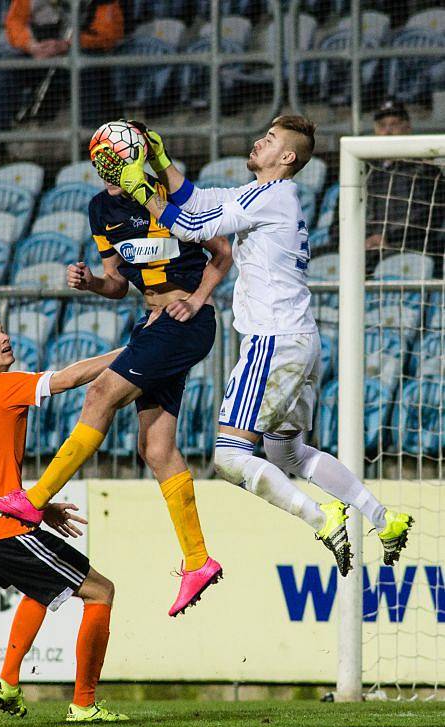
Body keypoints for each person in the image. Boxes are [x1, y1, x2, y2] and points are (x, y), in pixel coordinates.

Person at [89, 116, 414, 576]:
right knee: (289, 454)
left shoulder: (270, 196)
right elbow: (197, 199)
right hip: (300, 339)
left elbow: (190, 224)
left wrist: (138, 187)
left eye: (271, 139)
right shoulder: (264, 195)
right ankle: (385, 519)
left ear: (286, 157)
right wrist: (160, 162)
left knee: (228, 455)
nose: (259, 140)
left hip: (272, 342)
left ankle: (322, 519)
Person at [0, 168, 233, 617]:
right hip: (155, 322)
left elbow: (223, 253)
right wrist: (92, 282)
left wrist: (195, 300)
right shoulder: (101, 209)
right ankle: (198, 560)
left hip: (185, 319)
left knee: (99, 393)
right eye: (106, 152)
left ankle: (34, 500)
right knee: (156, 448)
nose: (111, 158)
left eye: (120, 149)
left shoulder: (164, 192)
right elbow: (116, 283)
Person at [0, 311, 128, 723]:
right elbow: (68, 379)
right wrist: (133, 352)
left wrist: (39, 507)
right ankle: (84, 704)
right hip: (1, 528)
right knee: (101, 592)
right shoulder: (2, 387)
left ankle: (9, 682)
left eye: (2, 332)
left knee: (40, 589)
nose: (4, 339)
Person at [0, 0, 124, 160]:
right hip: (39, 52)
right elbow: (15, 22)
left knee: (86, 67)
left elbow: (109, 33)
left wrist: (70, 44)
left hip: (82, 52)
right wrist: (31, 46)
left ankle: (91, 142)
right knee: (7, 69)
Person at [365, 99, 444, 275]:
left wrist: (387, 238)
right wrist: (363, 239)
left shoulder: (425, 171)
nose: (387, 131)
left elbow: (429, 217)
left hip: (408, 248)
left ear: (407, 128)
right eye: (382, 125)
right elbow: (339, 220)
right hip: (364, 249)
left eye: (394, 124)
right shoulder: (363, 171)